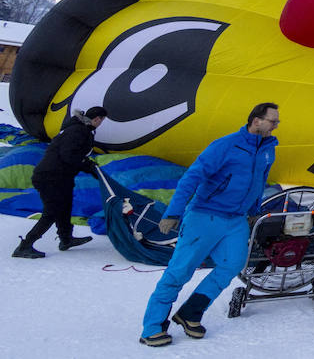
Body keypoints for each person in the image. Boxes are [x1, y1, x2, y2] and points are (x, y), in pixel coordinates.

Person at [139, 103, 280, 347]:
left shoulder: (268, 150)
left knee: (233, 264)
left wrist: (254, 211)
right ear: (256, 121)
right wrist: (173, 212)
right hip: (205, 216)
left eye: (277, 122)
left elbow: (260, 180)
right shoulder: (225, 146)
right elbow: (191, 177)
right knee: (180, 271)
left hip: (236, 219)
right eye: (272, 121)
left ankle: (190, 313)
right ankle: (152, 327)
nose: (276, 126)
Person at [12, 106, 107, 258]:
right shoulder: (78, 131)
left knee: (65, 206)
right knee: (52, 212)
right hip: (50, 177)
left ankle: (66, 239)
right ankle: (25, 246)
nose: (101, 123)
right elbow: (68, 155)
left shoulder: (78, 128)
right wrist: (85, 165)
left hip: (61, 176)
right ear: (97, 119)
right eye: (102, 120)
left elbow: (72, 153)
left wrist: (87, 164)